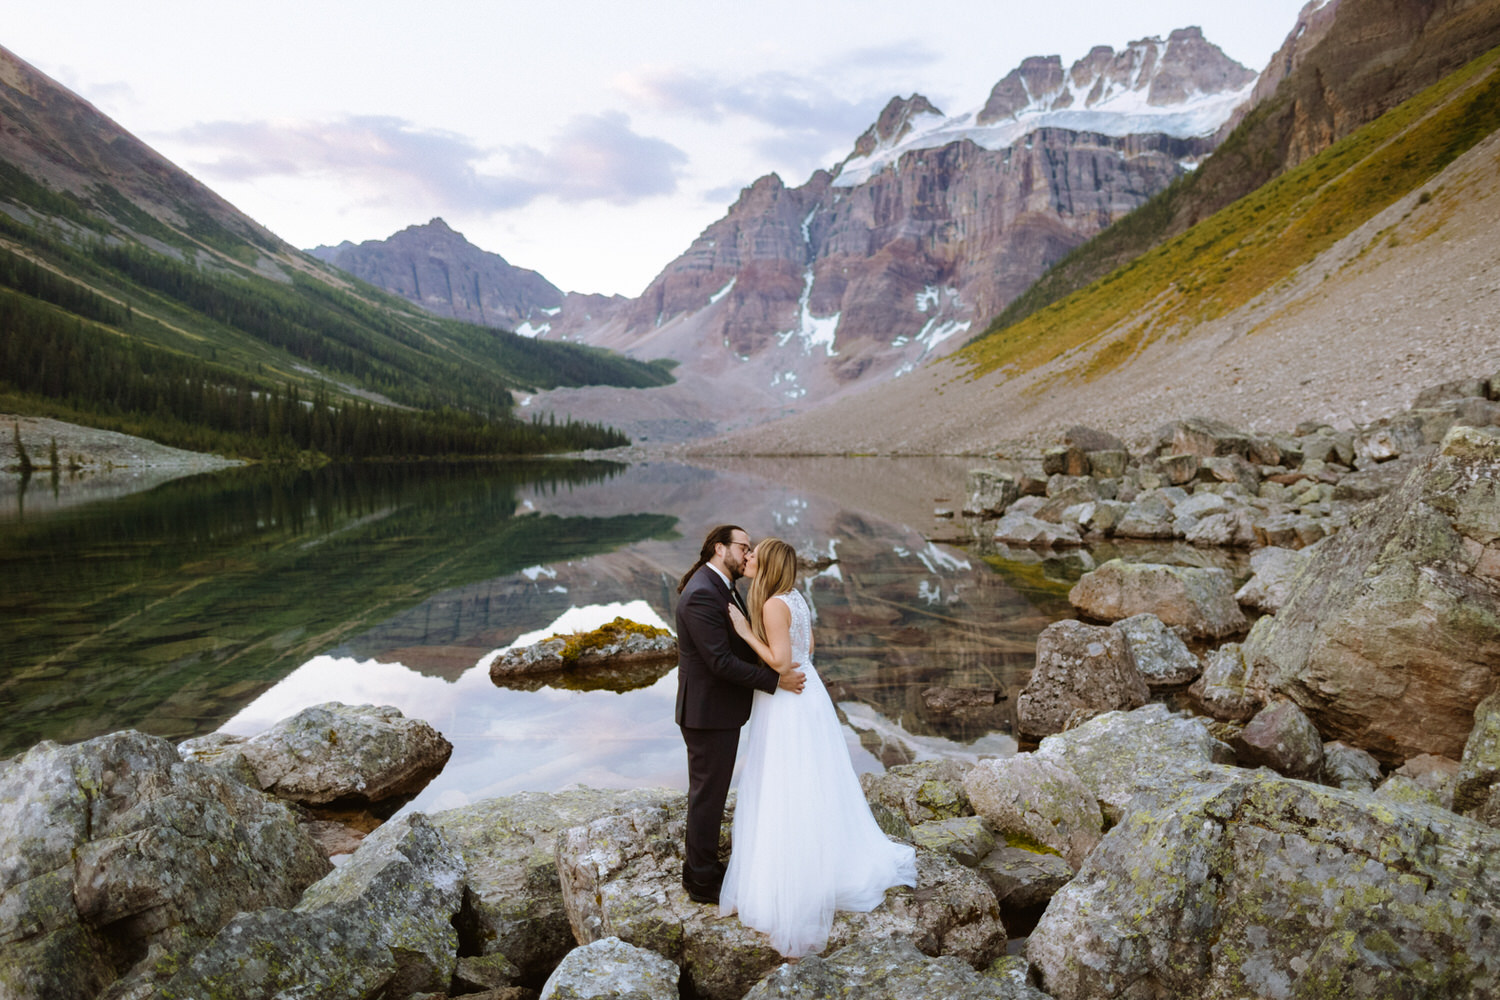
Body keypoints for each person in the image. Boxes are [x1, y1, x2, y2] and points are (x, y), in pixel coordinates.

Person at [719, 537, 917, 958]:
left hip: (789, 700)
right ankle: (821, 859)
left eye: (754, 554)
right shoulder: (795, 597)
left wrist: (743, 632)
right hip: (809, 699)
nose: (747, 557)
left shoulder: (773, 604)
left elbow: (782, 662)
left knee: (786, 782)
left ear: (768, 563)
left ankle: (793, 875)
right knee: (813, 779)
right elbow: (808, 648)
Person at [675, 524, 805, 905]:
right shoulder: (702, 592)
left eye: (751, 550)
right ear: (720, 548)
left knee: (710, 794)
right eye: (744, 547)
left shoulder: (717, 585)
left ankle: (702, 868)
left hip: (717, 711)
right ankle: (700, 881)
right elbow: (719, 662)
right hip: (707, 713)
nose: (749, 555)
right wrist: (774, 680)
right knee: (707, 797)